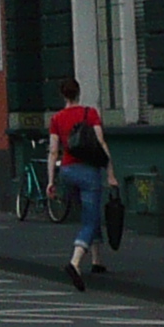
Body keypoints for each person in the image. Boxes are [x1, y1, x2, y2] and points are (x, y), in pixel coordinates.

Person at [49, 77, 111, 293]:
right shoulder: (90, 113)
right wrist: (110, 173)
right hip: (88, 172)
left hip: (67, 172)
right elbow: (101, 143)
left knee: (88, 213)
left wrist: (51, 181)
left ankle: (97, 260)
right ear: (79, 93)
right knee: (91, 218)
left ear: (63, 95)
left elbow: (53, 151)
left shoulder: (56, 118)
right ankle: (75, 263)